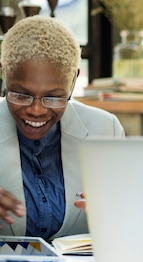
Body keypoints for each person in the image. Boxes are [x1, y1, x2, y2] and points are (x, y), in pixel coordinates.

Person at [0, 16, 125, 240]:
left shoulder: (106, 130)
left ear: (73, 81)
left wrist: (120, 213)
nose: (36, 110)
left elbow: (126, 226)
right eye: (21, 95)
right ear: (3, 73)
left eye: (54, 97)